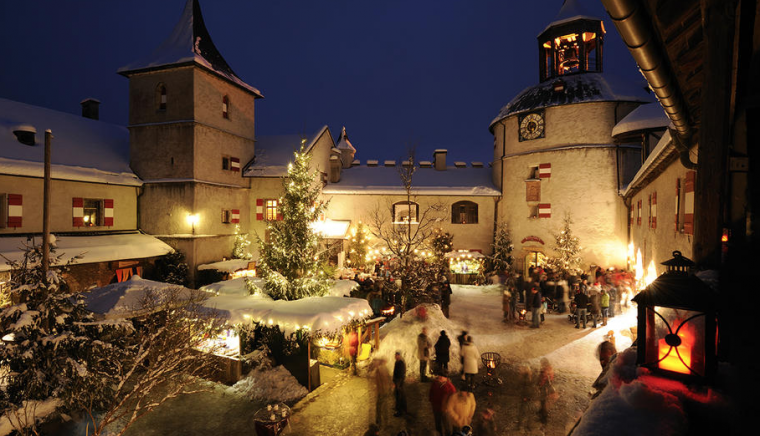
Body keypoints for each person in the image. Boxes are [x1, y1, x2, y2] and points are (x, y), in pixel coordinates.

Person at [428, 369, 456, 436]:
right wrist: (432, 401)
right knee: (437, 424)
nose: (439, 377)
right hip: (436, 408)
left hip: (445, 410)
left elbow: (453, 399)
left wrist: (448, 408)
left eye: (441, 376)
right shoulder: (435, 383)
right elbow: (431, 393)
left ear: (446, 378)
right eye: (439, 376)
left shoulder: (450, 387)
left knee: (447, 426)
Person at [371, 357, 392, 426]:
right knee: (383, 406)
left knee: (380, 406)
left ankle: (380, 420)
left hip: (382, 391)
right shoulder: (385, 368)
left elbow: (379, 380)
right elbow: (388, 378)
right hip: (385, 390)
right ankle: (384, 421)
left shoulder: (379, 370)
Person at [537, 357, 556, 424]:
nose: (540, 364)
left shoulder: (544, 369)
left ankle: (544, 419)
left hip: (544, 388)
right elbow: (551, 377)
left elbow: (543, 378)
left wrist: (539, 385)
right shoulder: (550, 368)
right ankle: (541, 414)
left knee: (543, 402)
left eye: (541, 362)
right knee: (543, 402)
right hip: (547, 388)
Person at [392, 351, 407, 417]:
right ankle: (400, 408)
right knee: (398, 395)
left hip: (399, 381)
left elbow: (401, 374)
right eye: (395, 355)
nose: (396, 356)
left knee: (399, 396)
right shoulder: (397, 362)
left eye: (397, 355)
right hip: (397, 381)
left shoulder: (401, 363)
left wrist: (399, 383)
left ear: (399, 356)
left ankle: (400, 411)